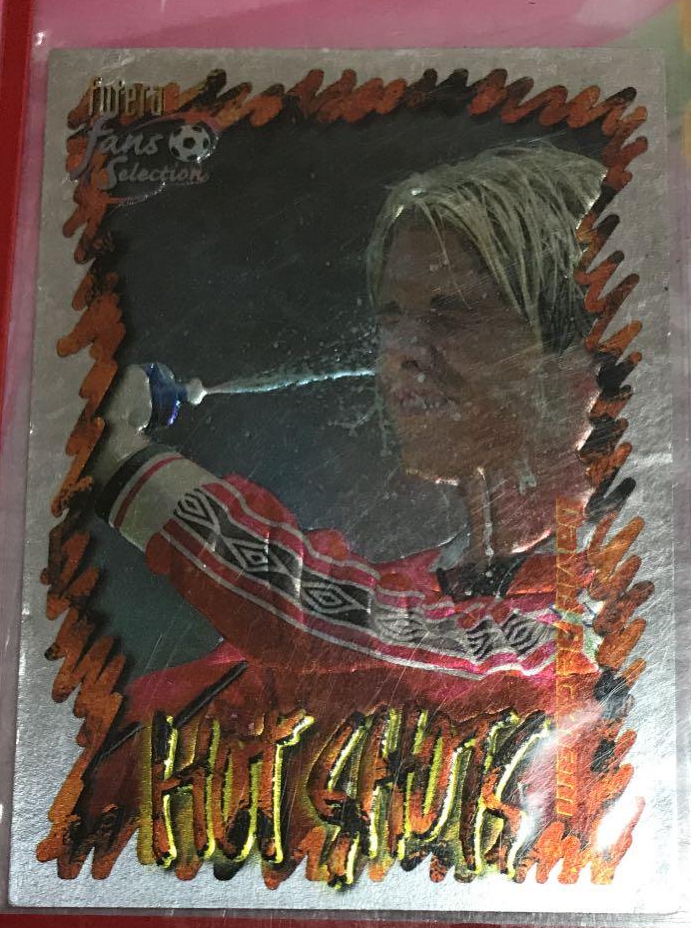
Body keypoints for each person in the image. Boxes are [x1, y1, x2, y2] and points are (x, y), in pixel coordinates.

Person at [74, 141, 610, 881]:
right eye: (393, 317)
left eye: (453, 315)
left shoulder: (610, 607)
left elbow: (343, 628)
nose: (399, 353)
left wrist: (121, 461)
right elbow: (179, 720)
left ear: (582, 362)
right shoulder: (409, 594)